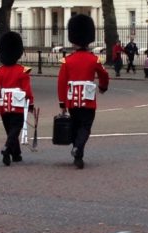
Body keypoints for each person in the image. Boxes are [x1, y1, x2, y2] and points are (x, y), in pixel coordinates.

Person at [57, 14, 109, 169]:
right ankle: (78, 150)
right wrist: (102, 87)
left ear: (73, 40)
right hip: (88, 101)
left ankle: (77, 156)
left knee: (75, 126)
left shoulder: (67, 60)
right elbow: (104, 75)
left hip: (72, 101)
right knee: (85, 127)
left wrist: (62, 103)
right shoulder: (94, 59)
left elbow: (61, 83)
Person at [0, 31, 34, 166]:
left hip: (4, 106)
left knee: (10, 131)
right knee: (14, 131)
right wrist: (31, 105)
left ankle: (16, 155)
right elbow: (27, 91)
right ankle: (6, 149)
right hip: (17, 106)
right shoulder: (23, 71)